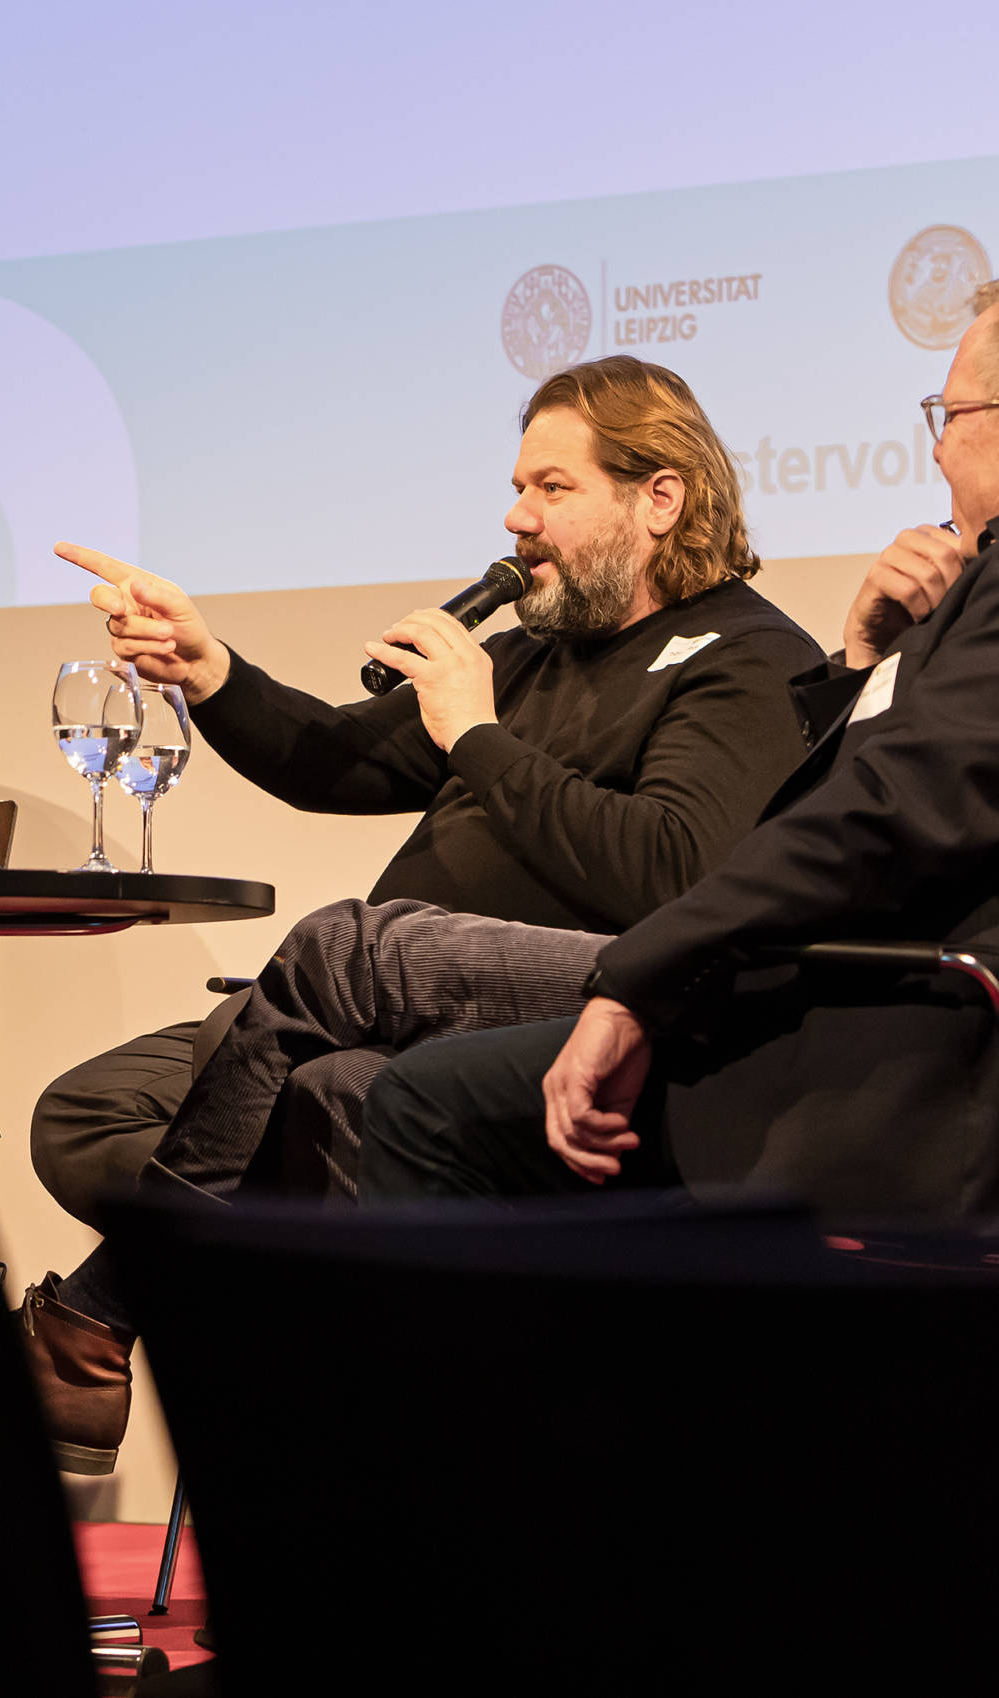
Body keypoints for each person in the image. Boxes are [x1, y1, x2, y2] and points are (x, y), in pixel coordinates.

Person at [21, 356, 823, 1472]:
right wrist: (210, 671)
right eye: (516, 486)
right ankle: (280, 1334)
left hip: (570, 1026)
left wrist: (476, 734)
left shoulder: (745, 658)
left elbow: (669, 875)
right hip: (373, 1019)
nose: (515, 516)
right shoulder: (537, 654)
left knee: (340, 983)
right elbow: (332, 763)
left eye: (549, 487)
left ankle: (114, 1320)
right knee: (104, 1109)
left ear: (659, 498)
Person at [360, 288, 999, 1215]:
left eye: (952, 415)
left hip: (909, 1039)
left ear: (663, 498)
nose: (936, 446)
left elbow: (880, 812)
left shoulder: (751, 647)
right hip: (872, 994)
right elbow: (878, 782)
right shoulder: (967, 594)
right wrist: (864, 654)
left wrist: (636, 986)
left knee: (402, 1059)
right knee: (341, 1011)